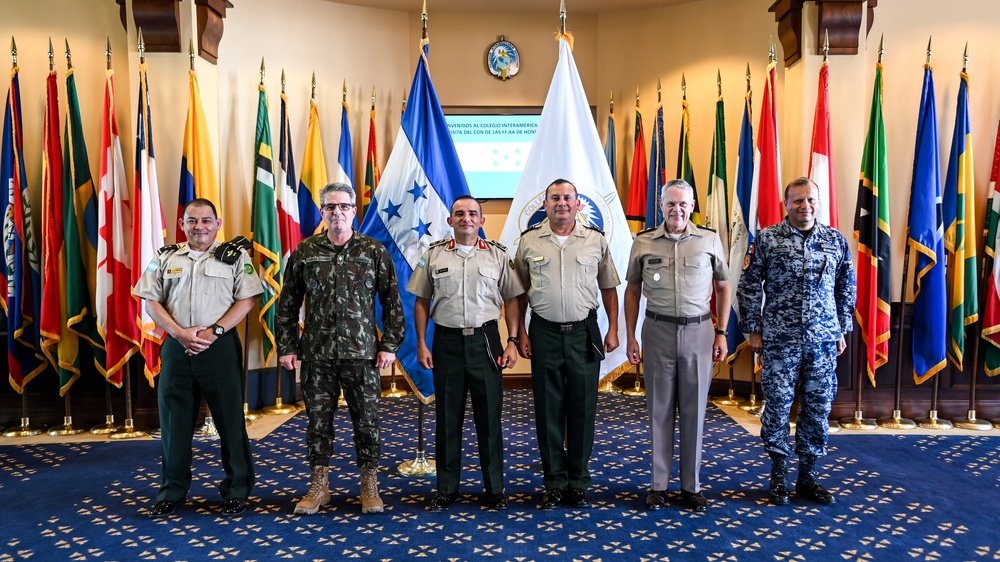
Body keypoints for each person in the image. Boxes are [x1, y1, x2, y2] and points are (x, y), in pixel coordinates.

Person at [275, 182, 405, 515]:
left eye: (344, 207)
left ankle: (369, 485)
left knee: (367, 421)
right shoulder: (306, 251)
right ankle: (319, 486)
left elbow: (392, 301)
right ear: (322, 212)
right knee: (318, 422)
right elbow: (287, 303)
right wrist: (287, 346)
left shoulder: (373, 250)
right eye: (330, 207)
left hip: (362, 354)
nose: (337, 213)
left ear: (353, 211)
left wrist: (389, 344)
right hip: (317, 354)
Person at [134, 198, 262, 518]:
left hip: (218, 346)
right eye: (192, 221)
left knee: (230, 420)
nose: (199, 227)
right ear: (182, 225)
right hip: (177, 347)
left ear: (218, 224)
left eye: (206, 221)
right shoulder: (165, 257)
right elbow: (151, 301)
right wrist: (178, 332)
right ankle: (171, 490)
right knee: (174, 424)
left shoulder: (235, 257)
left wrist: (214, 332)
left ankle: (236, 490)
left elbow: (247, 301)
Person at [737, 177, 856, 506]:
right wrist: (753, 329)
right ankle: (778, 474)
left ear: (819, 202)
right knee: (776, 408)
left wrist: (841, 329)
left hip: (822, 342)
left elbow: (846, 287)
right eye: (798, 200)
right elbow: (748, 285)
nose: (805, 206)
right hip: (779, 341)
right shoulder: (767, 239)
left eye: (811, 200)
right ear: (785, 204)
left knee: (818, 409)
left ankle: (808, 475)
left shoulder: (835, 241)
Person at [407, 195, 524, 511]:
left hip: (486, 342)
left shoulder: (498, 256)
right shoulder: (433, 255)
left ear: (482, 221)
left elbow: (512, 298)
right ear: (450, 221)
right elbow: (421, 301)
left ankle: (495, 488)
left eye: (473, 213)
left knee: (489, 419)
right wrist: (421, 343)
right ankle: (446, 488)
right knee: (447, 419)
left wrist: (512, 340)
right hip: (446, 343)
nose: (466, 218)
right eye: (459, 213)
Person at [624, 179, 731, 513]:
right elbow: (631, 290)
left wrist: (722, 331)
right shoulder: (643, 243)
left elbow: (724, 286)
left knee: (694, 410)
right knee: (658, 410)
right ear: (661, 205)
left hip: (699, 331)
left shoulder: (709, 240)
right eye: (670, 204)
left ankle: (691, 486)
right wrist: (631, 335)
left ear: (692, 205)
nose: (677, 210)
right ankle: (658, 486)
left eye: (683, 204)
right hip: (657, 331)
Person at [513, 178, 620, 510]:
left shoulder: (595, 241)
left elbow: (609, 288)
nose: (561, 202)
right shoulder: (529, 242)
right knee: (547, 411)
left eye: (567, 197)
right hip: (543, 332)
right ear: (544, 205)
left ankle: (578, 482)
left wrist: (613, 328)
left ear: (578, 204)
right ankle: (554, 483)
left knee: (583, 410)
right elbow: (517, 293)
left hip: (583, 332)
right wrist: (520, 334)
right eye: (555, 198)